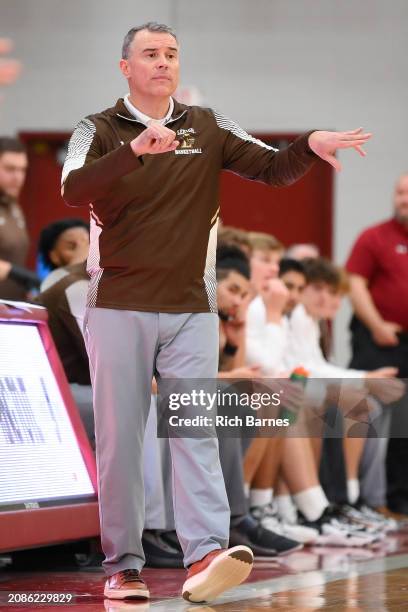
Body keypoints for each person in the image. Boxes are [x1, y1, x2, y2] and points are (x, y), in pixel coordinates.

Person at [61, 21, 372, 603]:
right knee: (122, 442)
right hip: (118, 304)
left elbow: (271, 167)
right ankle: (122, 565)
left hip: (192, 308)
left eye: (172, 54)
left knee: (195, 431)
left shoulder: (207, 125)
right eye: (150, 54)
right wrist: (132, 153)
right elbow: (72, 189)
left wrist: (308, 145)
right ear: (125, 67)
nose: (163, 63)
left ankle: (204, 554)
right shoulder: (96, 129)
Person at [346, 174, 408, 516]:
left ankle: (399, 495)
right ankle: (371, 497)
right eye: (399, 193)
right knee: (380, 414)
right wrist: (377, 325)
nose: (403, 199)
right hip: (380, 339)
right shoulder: (375, 237)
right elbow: (355, 284)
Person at [0, 137, 40, 299]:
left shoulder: (13, 206)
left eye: (22, 170)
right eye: (10, 169)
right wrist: (15, 273)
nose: (18, 177)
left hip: (10, 310)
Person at [38, 218, 90, 290]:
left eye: (88, 244)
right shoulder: (50, 289)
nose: (85, 252)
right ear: (54, 256)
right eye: (72, 247)